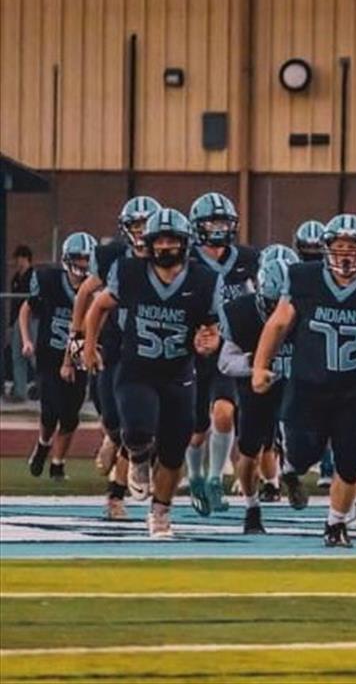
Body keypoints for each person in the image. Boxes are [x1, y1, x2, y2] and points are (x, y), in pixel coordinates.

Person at [81, 208, 223, 539]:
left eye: (172, 239)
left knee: (174, 452)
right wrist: (86, 346)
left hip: (178, 372)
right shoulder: (129, 271)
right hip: (137, 369)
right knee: (136, 429)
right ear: (148, 243)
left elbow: (212, 328)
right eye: (159, 240)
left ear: (185, 243)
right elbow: (97, 305)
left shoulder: (204, 280)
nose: (165, 246)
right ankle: (139, 459)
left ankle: (161, 512)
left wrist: (209, 341)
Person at [252, 214, 356, 549]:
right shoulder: (304, 278)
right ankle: (292, 470)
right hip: (307, 386)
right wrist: (260, 366)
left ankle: (335, 524)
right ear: (326, 250)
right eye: (339, 248)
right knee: (303, 453)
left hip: (355, 388)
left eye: (353, 248)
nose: (346, 255)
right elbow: (278, 324)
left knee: (351, 462)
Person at [68, 196, 162, 519]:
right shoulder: (111, 257)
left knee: (131, 424)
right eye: (136, 225)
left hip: (143, 351)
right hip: (111, 345)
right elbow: (85, 293)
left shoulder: (168, 260)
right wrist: (79, 339)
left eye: (147, 225)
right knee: (111, 417)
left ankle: (115, 496)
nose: (142, 232)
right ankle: (109, 437)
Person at [185, 193, 259, 517]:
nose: (217, 230)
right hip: (194, 350)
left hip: (228, 348)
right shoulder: (186, 260)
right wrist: (193, 337)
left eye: (222, 223)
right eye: (211, 224)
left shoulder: (246, 260)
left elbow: (255, 301)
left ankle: (215, 479)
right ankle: (196, 477)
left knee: (225, 413)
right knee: (196, 428)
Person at [217, 253, 296, 534]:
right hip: (255, 391)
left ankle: (290, 473)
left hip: (294, 388)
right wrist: (254, 365)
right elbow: (225, 362)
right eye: (275, 303)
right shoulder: (241, 313)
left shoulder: (309, 310)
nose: (281, 311)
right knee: (249, 450)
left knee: (301, 440)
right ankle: (252, 507)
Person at [20, 232, 96, 479]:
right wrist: (26, 339)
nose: (83, 264)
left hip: (79, 357)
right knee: (51, 411)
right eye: (78, 258)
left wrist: (73, 361)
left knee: (70, 417)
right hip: (49, 356)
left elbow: (82, 329)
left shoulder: (95, 289)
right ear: (67, 259)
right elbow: (26, 308)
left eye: (87, 259)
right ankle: (43, 445)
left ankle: (58, 462)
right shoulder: (49, 280)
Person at [9, 244, 36, 403]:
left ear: (26, 259)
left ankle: (43, 386)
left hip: (31, 319)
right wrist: (11, 323)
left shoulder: (33, 277)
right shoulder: (15, 279)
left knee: (33, 354)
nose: (17, 263)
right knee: (17, 355)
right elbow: (13, 303)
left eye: (19, 259)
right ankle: (20, 391)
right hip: (17, 321)